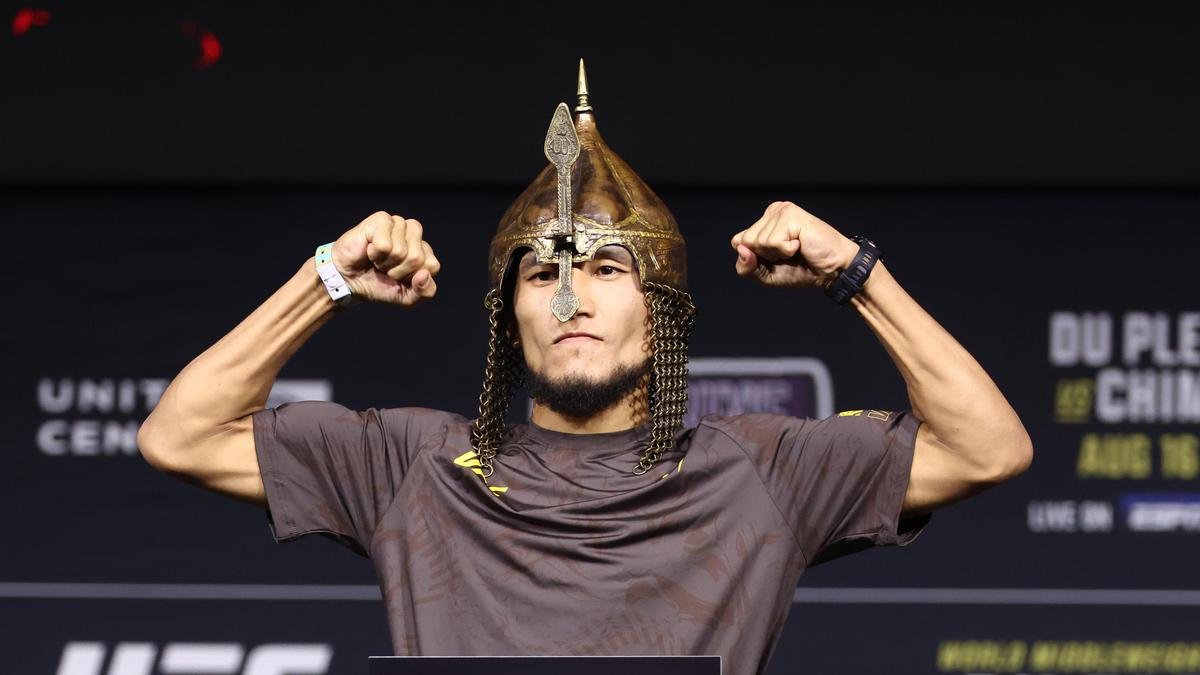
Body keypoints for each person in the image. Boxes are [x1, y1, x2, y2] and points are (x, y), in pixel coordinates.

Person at [138, 62, 1032, 675]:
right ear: (508, 319)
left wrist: (853, 272)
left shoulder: (761, 470)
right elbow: (181, 435)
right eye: (542, 275)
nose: (571, 299)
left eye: (608, 269)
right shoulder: (412, 463)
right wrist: (327, 277)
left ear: (661, 309)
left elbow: (987, 447)